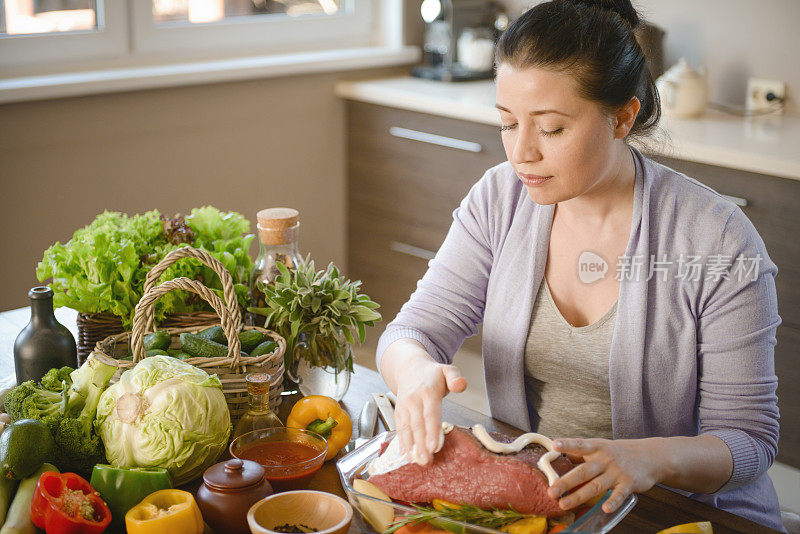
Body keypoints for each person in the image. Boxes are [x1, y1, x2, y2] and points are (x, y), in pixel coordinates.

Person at [376, 0, 784, 531]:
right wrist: (415, 373)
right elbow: (411, 331)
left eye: (550, 129)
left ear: (623, 117)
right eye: (507, 123)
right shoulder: (500, 200)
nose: (520, 153)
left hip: (680, 513)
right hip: (545, 505)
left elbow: (750, 442)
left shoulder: (718, 239)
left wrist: (650, 458)